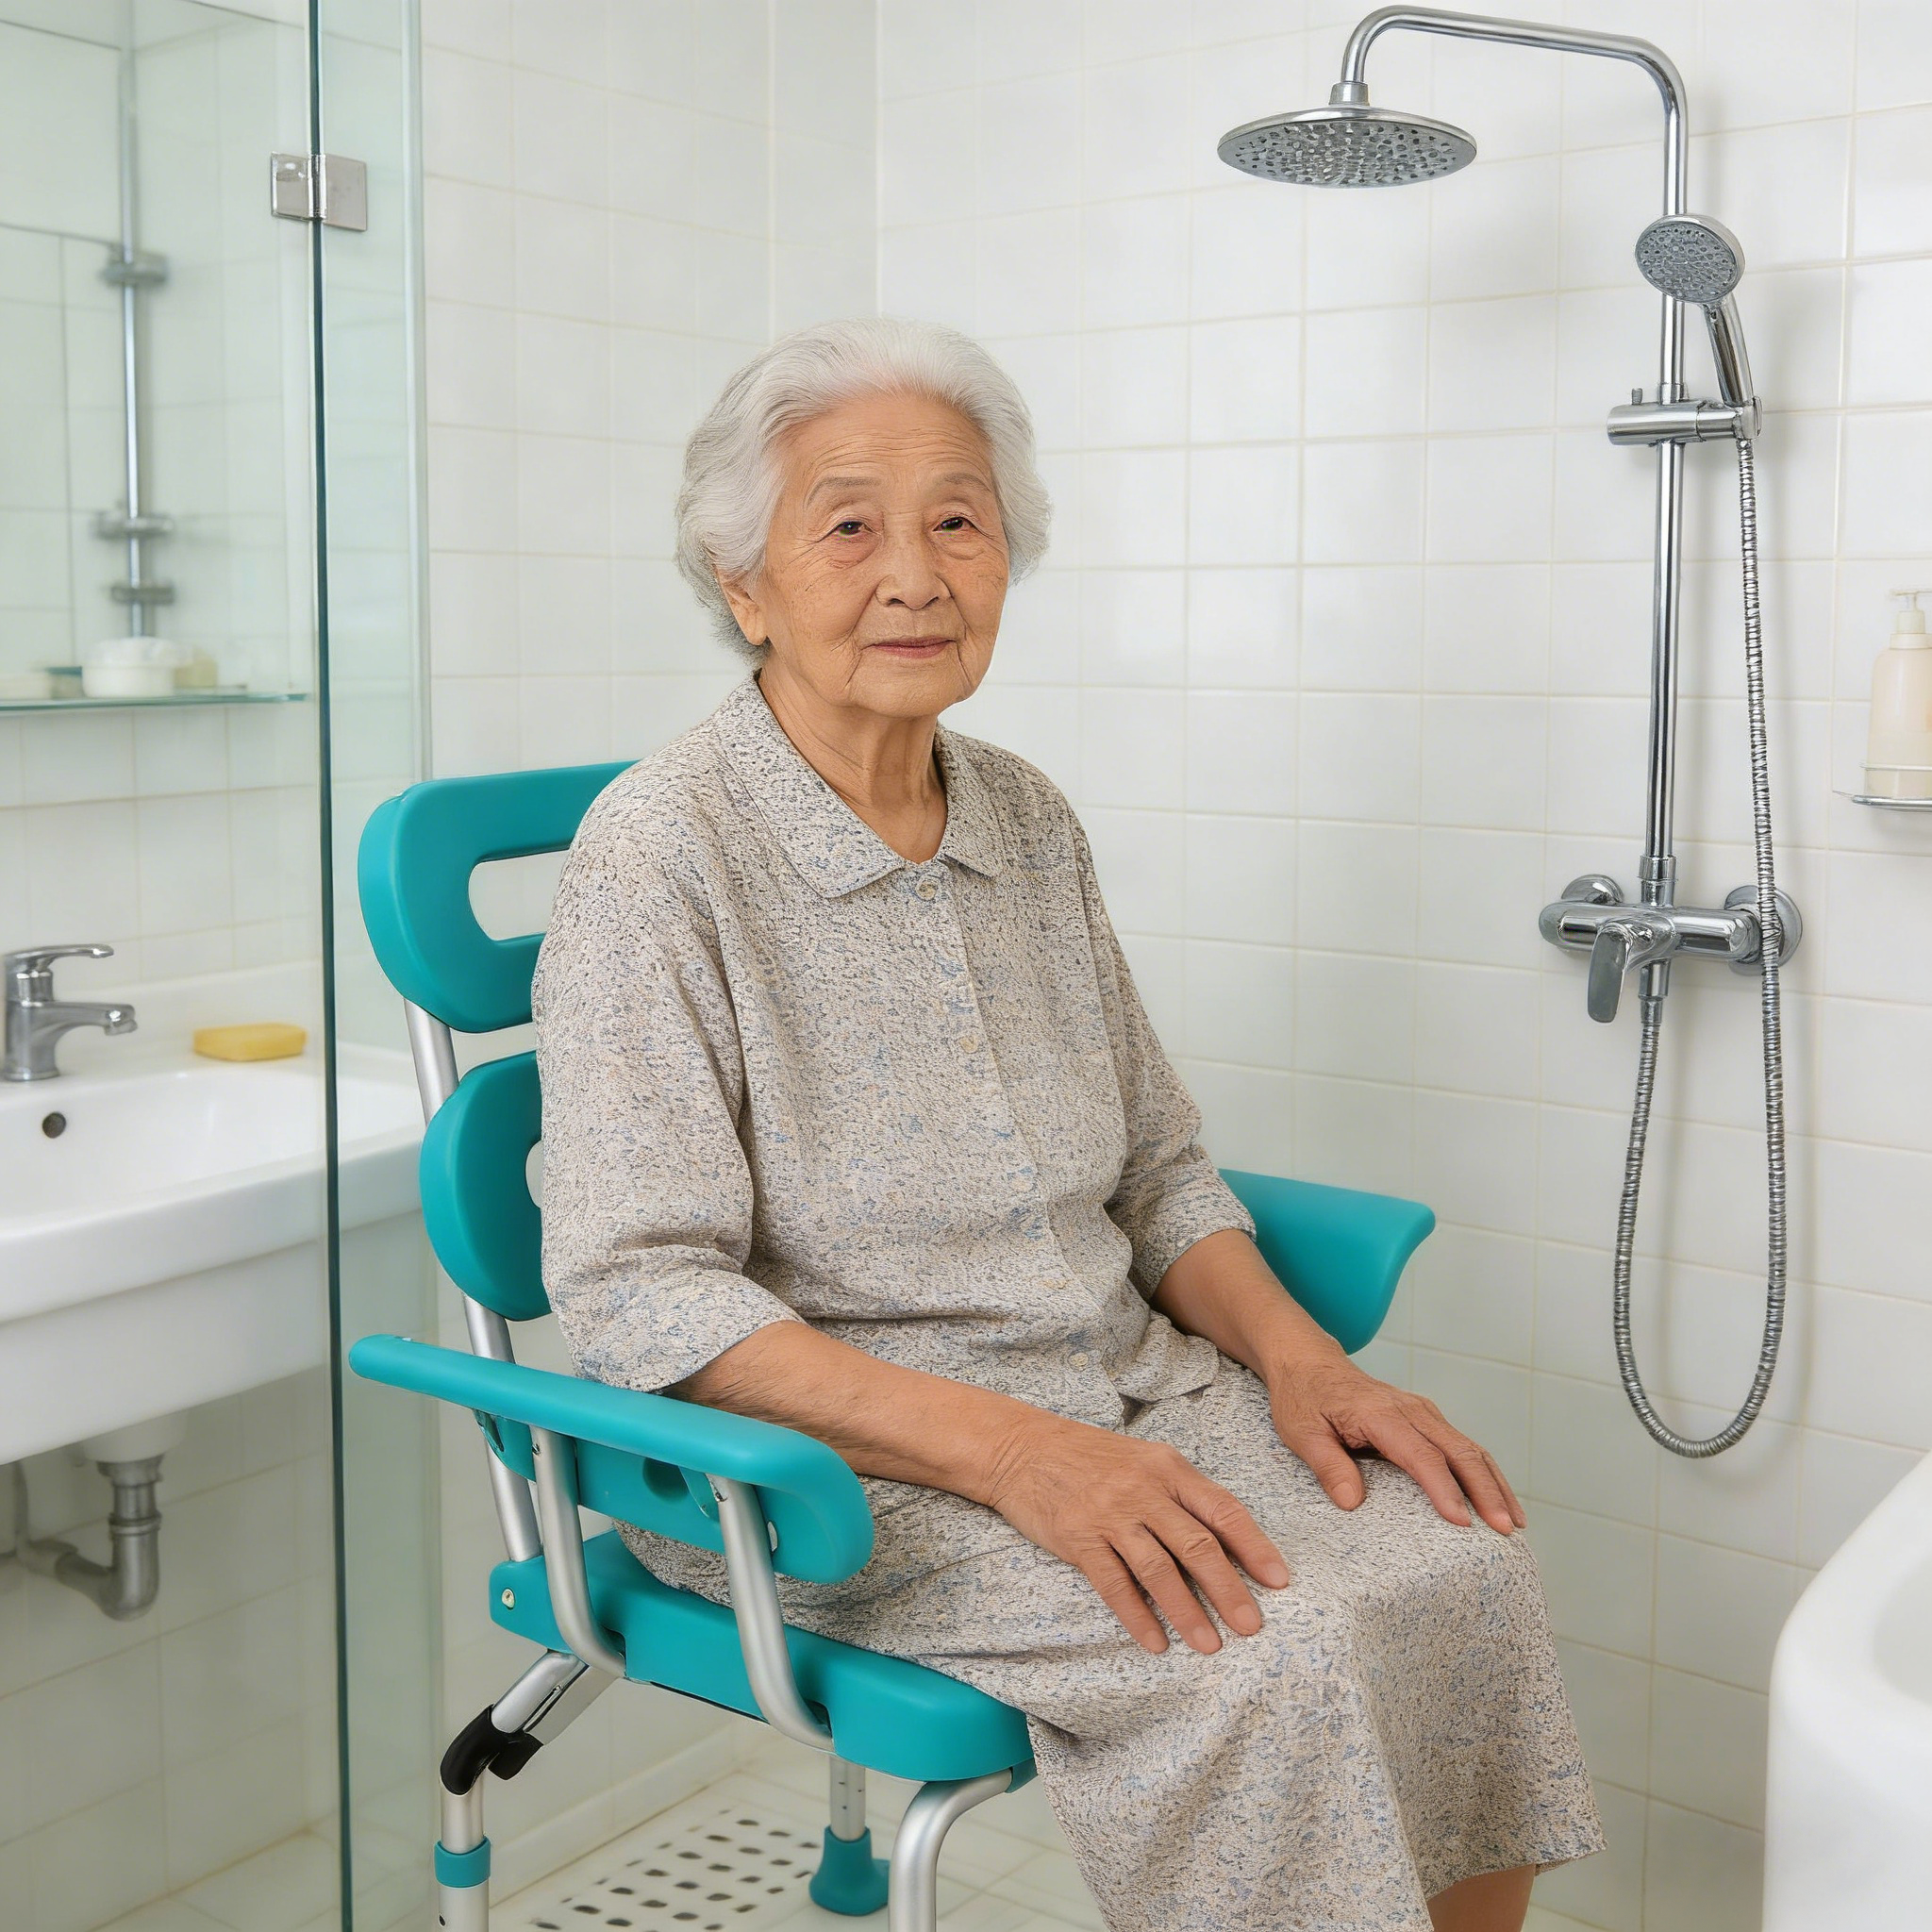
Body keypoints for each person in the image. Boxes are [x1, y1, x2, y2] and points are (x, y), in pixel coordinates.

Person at [532, 317, 1604, 1932]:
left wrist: (1310, 1364)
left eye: (958, 520)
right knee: (1269, 1652)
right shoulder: (659, 855)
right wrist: (1030, 1460)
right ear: (741, 583)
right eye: (847, 525)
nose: (915, 573)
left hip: (1118, 1390)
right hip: (832, 1472)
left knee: (1461, 1567)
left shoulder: (1024, 815)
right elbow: (642, 1295)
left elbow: (1163, 1172)